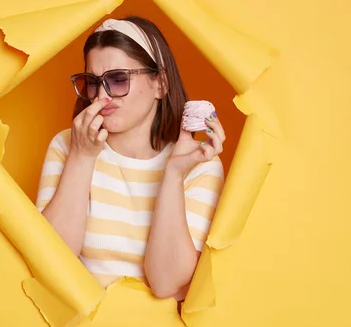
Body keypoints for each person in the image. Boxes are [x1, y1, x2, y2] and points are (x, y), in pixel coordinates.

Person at [35, 16, 226, 301]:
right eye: (93, 82)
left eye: (118, 79)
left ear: (160, 84)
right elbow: (49, 259)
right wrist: (83, 155)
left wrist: (173, 175)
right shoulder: (68, 145)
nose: (102, 95)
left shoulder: (199, 163)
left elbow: (166, 284)